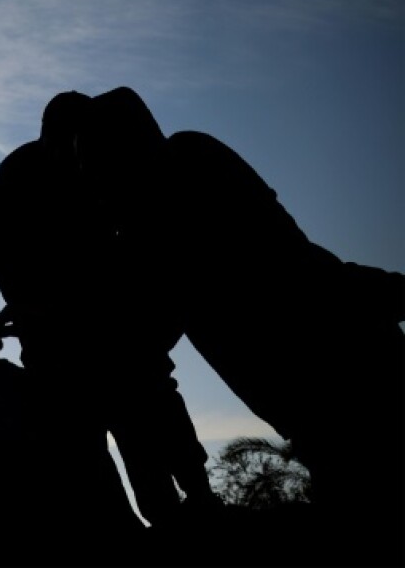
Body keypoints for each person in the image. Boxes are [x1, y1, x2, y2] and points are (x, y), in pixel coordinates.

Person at [76, 86, 404, 560]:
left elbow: (290, 273)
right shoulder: (172, 193)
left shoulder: (173, 189)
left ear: (121, 152)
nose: (88, 182)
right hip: (331, 386)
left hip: (348, 383)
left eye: (92, 164)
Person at [0, 90, 216, 529]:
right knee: (81, 445)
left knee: (151, 414)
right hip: (57, 341)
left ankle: (198, 500)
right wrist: (38, 309)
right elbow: (6, 257)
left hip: (121, 328)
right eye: (69, 145)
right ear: (50, 138)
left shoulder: (107, 158)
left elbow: (138, 235)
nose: (79, 157)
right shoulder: (19, 171)